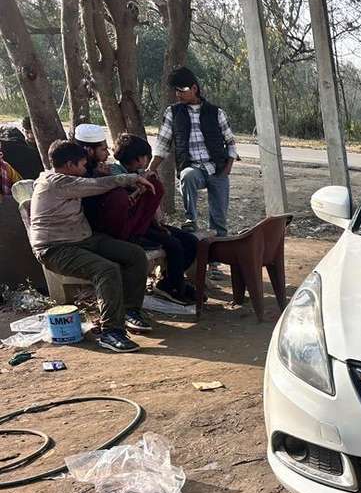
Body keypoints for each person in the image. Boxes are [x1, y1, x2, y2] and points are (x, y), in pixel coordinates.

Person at [29, 140, 156, 353]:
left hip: (83, 239)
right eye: (81, 164)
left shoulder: (68, 178)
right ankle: (110, 332)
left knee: (134, 254)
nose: (85, 168)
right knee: (106, 270)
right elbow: (96, 186)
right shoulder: (57, 182)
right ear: (69, 165)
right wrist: (131, 178)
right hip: (54, 248)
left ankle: (130, 311)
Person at [97, 133, 199, 303]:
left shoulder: (139, 172)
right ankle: (174, 287)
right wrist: (142, 186)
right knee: (173, 245)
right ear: (138, 159)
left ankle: (170, 281)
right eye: (145, 157)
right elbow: (125, 202)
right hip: (130, 228)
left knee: (190, 241)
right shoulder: (114, 173)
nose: (146, 161)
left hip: (147, 223)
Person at [148, 67, 238, 239]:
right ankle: (191, 219)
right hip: (192, 167)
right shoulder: (172, 113)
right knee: (187, 175)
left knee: (219, 221)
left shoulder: (216, 113)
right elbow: (162, 145)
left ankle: (215, 262)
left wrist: (228, 167)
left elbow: (231, 142)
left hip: (217, 169)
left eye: (181, 91)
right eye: (176, 91)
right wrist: (151, 169)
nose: (178, 95)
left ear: (194, 88)